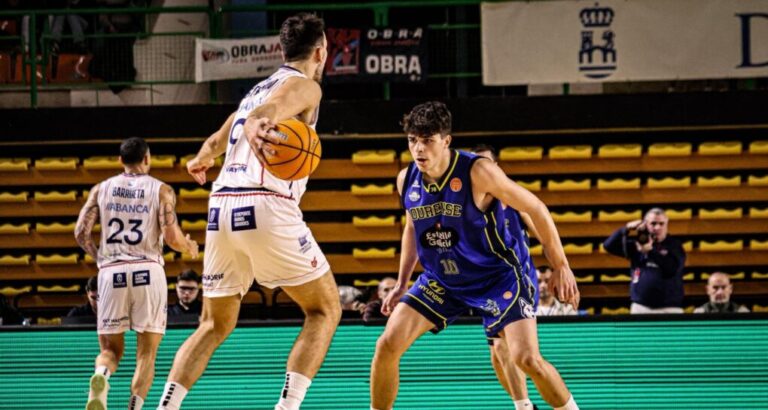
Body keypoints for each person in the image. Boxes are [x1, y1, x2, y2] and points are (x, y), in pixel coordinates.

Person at [157, 13, 340, 410]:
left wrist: (204, 156)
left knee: (214, 323)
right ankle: (287, 407)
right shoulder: (306, 87)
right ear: (322, 51)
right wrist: (263, 122)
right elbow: (275, 107)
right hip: (266, 204)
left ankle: (165, 407)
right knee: (325, 308)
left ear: (281, 49)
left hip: (221, 208)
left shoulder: (255, 90)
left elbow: (217, 139)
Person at [370, 101, 580, 410]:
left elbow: (535, 207)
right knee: (387, 344)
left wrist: (561, 265)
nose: (419, 149)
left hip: (499, 275)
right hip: (444, 278)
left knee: (526, 359)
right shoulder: (407, 179)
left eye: (427, 140)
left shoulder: (478, 172)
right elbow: (412, 226)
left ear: (446, 141)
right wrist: (402, 282)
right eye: (413, 140)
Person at [74, 136, 199, 410]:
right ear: (147, 158)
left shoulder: (101, 189)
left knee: (110, 351)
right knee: (147, 354)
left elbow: (81, 233)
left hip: (111, 272)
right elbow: (170, 236)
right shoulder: (162, 190)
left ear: (120, 160)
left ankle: (101, 376)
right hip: (148, 271)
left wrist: (102, 260)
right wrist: (188, 245)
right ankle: (134, 407)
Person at [473, 144, 540, 410]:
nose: (481, 171)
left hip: (517, 279)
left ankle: (524, 407)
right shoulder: (469, 205)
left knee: (509, 350)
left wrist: (560, 265)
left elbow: (540, 222)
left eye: (487, 164)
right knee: (496, 357)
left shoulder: (512, 198)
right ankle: (525, 404)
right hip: (489, 285)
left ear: (497, 169)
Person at [603, 208, 686, 314]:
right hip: (641, 307)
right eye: (653, 223)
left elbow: (671, 269)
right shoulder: (638, 245)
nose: (657, 227)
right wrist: (626, 229)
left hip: (669, 307)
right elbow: (608, 246)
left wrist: (651, 252)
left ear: (667, 224)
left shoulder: (675, 245)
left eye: (661, 224)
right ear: (645, 224)